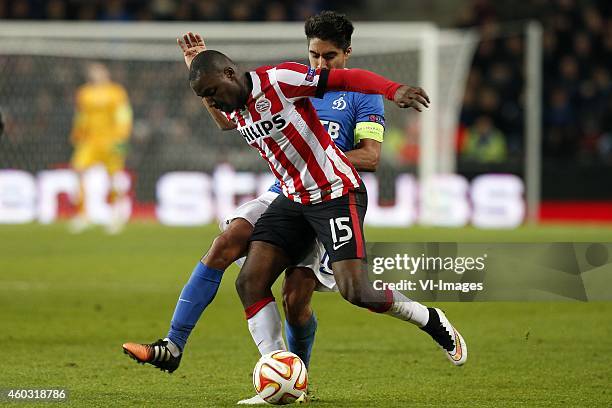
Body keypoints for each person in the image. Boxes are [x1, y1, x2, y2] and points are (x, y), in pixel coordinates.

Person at [123, 11, 388, 375]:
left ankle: (298, 379)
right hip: (282, 194)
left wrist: (316, 159)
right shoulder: (296, 82)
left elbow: (371, 157)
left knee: (296, 301)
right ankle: (172, 345)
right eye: (314, 55)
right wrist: (203, 76)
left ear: (347, 54)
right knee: (226, 242)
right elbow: (227, 121)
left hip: (327, 197)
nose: (320, 63)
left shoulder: (362, 96)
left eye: (329, 57)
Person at [69, 62, 133, 234]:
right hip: (89, 142)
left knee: (113, 177)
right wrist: (77, 133)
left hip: (111, 141)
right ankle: (83, 215)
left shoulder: (116, 92)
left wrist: (122, 137)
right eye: (93, 72)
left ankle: (115, 215)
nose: (96, 74)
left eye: (99, 71)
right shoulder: (84, 93)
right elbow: (81, 115)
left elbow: (123, 115)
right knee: (78, 171)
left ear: (106, 73)